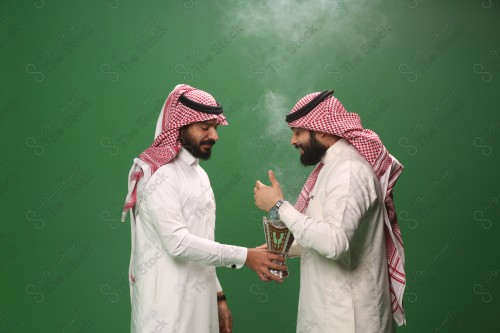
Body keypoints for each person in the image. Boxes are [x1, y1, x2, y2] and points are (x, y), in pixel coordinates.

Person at [122, 84, 286, 333]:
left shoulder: (200, 176)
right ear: (180, 126)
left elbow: (202, 242)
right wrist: (246, 256)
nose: (214, 136)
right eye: (205, 127)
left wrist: (218, 297)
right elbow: (178, 242)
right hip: (165, 313)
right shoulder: (160, 176)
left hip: (201, 306)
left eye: (216, 127)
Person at [253, 90, 406, 332]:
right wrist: (281, 250)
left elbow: (335, 242)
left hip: (349, 319)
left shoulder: (348, 171)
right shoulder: (331, 168)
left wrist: (279, 206)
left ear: (322, 129)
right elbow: (323, 233)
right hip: (330, 316)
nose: (293, 141)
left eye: (298, 132)